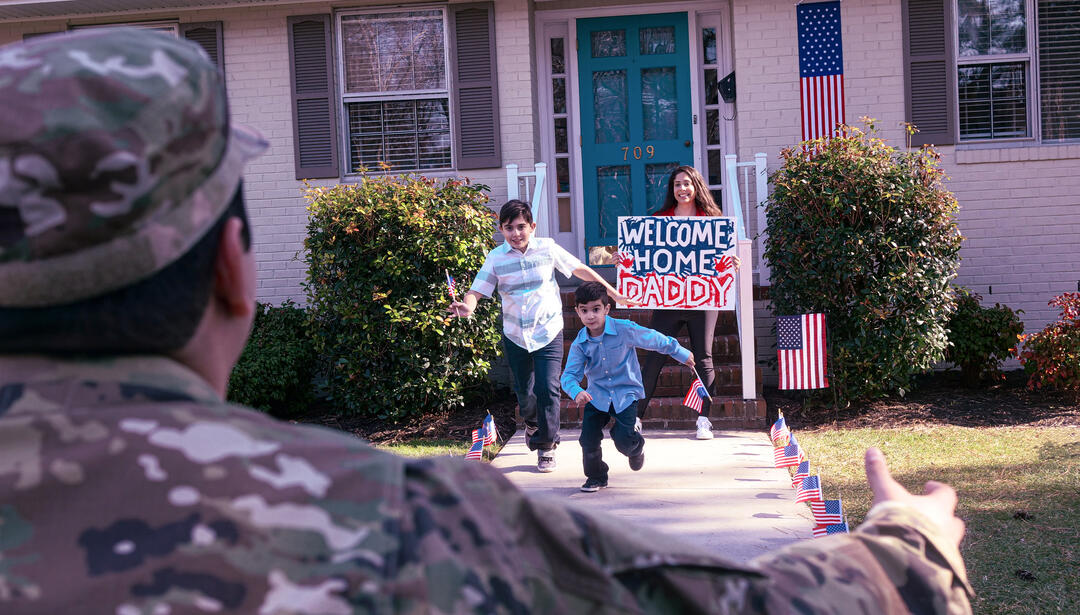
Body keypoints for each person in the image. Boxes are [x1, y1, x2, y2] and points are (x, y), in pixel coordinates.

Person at [0, 29, 974, 614]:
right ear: (232, 270)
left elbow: (575, 269)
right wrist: (908, 544)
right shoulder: (380, 528)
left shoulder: (555, 267)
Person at [448, 200, 634, 473]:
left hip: (548, 331)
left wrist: (612, 292)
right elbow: (476, 290)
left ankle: (547, 446)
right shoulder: (496, 258)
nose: (516, 233)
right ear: (501, 229)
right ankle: (533, 423)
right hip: (515, 335)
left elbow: (579, 269)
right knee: (526, 394)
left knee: (548, 388)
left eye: (521, 227)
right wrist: (467, 306)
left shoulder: (547, 248)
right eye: (509, 228)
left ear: (532, 227)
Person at [561, 282, 695, 492]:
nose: (590, 316)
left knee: (624, 441)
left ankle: (636, 448)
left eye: (596, 309)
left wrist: (680, 352)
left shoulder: (624, 329)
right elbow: (569, 375)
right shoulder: (580, 344)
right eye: (584, 311)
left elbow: (654, 339)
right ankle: (596, 477)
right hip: (596, 396)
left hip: (626, 394)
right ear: (577, 311)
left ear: (606, 308)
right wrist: (576, 391)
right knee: (588, 440)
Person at [639, 165, 737, 440]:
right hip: (669, 301)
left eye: (687, 183)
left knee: (703, 357)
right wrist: (626, 261)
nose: (682, 189)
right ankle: (636, 417)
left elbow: (720, 260)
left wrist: (732, 263)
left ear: (696, 186)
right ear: (672, 190)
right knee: (655, 356)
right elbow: (644, 258)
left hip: (703, 300)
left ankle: (704, 419)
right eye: (677, 185)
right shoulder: (658, 220)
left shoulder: (713, 220)